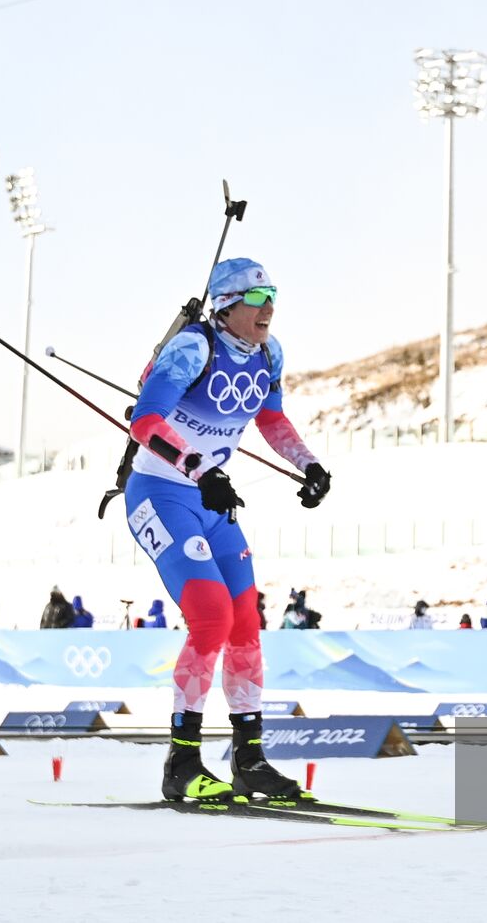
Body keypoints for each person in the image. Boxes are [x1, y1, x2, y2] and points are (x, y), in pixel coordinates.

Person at [122, 256, 331, 800]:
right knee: (210, 617)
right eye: (258, 302)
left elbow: (271, 417)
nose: (269, 312)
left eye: (273, 299)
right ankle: (182, 764)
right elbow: (145, 422)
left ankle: (249, 760)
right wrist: (200, 469)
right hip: (161, 494)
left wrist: (307, 464)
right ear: (229, 305)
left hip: (211, 500)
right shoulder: (193, 348)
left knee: (244, 623)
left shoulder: (269, 353)